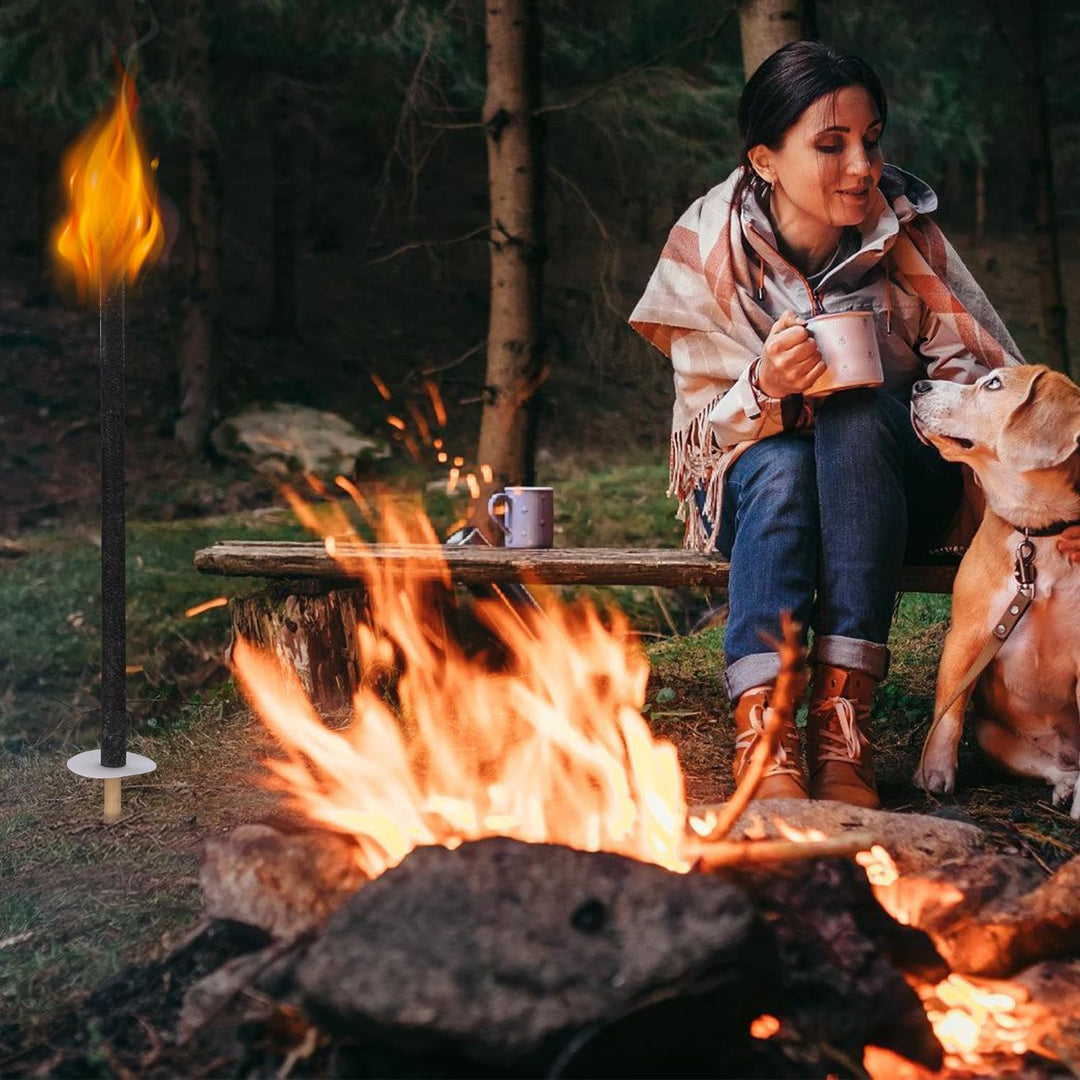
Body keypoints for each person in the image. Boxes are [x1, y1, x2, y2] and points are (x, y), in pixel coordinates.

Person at [629, 40, 1024, 808]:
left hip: (893, 491)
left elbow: (984, 389)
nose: (862, 166)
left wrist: (900, 395)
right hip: (755, 492)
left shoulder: (906, 235)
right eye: (831, 145)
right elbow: (703, 440)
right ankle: (768, 732)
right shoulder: (709, 248)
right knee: (781, 467)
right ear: (766, 159)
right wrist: (764, 385)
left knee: (853, 413)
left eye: (871, 140)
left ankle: (845, 720)